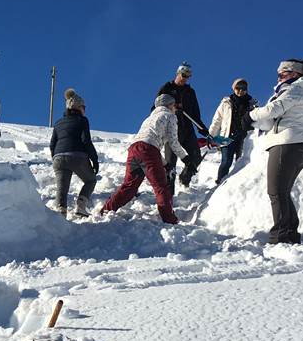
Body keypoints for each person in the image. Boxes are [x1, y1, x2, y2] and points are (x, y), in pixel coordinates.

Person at [248, 59, 303, 244]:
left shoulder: (294, 90)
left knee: (276, 191)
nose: (278, 78)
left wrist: (249, 115)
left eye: (282, 74)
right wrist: (253, 121)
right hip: (294, 145)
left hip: (287, 144)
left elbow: (273, 110)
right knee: (282, 192)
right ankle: (289, 233)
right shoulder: (295, 91)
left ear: (294, 74)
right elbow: (270, 120)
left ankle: (282, 235)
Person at [101, 95, 186, 224]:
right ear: (169, 105)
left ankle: (106, 210)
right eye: (174, 105)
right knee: (161, 186)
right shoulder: (170, 116)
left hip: (134, 150)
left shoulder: (149, 119)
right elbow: (173, 142)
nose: (175, 108)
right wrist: (186, 158)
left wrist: (165, 164)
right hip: (148, 150)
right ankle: (169, 220)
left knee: (129, 186)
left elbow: (148, 144)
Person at [49, 88, 99, 217]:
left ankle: (61, 212)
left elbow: (52, 144)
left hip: (58, 157)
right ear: (78, 107)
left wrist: (55, 157)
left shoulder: (58, 123)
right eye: (84, 107)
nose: (85, 109)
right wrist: (94, 159)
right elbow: (86, 141)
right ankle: (81, 207)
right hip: (77, 156)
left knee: (62, 188)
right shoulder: (83, 120)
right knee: (90, 180)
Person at [156, 63, 205, 192]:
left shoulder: (190, 92)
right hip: (171, 130)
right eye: (183, 75)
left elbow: (195, 113)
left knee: (195, 157)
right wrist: (171, 109)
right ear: (177, 73)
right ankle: (168, 196)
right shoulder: (167, 87)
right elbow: (156, 107)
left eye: (188, 76)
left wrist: (202, 127)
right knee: (170, 164)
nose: (185, 78)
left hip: (187, 129)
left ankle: (185, 177)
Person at [209, 78, 257, 184]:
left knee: (241, 162)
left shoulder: (252, 103)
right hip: (227, 136)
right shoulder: (226, 102)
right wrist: (211, 135)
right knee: (226, 161)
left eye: (243, 88)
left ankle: (238, 185)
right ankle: (220, 182)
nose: (240, 91)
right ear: (233, 88)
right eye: (238, 88)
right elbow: (217, 119)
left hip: (244, 137)